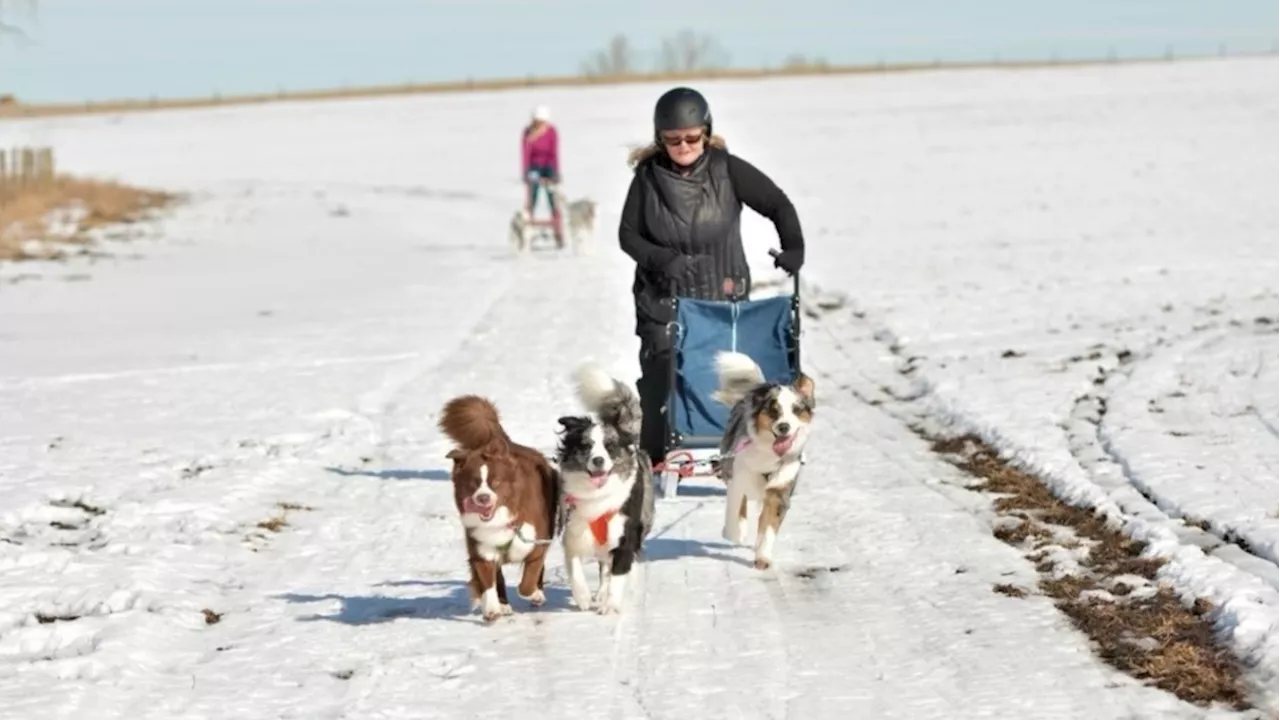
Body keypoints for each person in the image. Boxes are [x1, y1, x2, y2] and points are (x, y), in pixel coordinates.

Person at [617, 86, 806, 466]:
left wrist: (794, 247)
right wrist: (661, 259)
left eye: (692, 137)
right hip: (664, 298)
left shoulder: (727, 168)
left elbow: (777, 204)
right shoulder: (648, 178)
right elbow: (628, 235)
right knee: (662, 381)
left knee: (729, 381)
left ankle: (745, 452)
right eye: (673, 139)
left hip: (722, 296)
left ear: (705, 131)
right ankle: (652, 461)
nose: (684, 145)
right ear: (660, 139)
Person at [521, 104, 562, 243]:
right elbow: (526, 154)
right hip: (534, 167)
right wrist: (526, 172)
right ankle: (528, 227)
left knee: (553, 197)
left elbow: (554, 152)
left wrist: (555, 172)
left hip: (548, 165)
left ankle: (557, 227)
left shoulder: (551, 132)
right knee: (532, 196)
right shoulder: (528, 133)